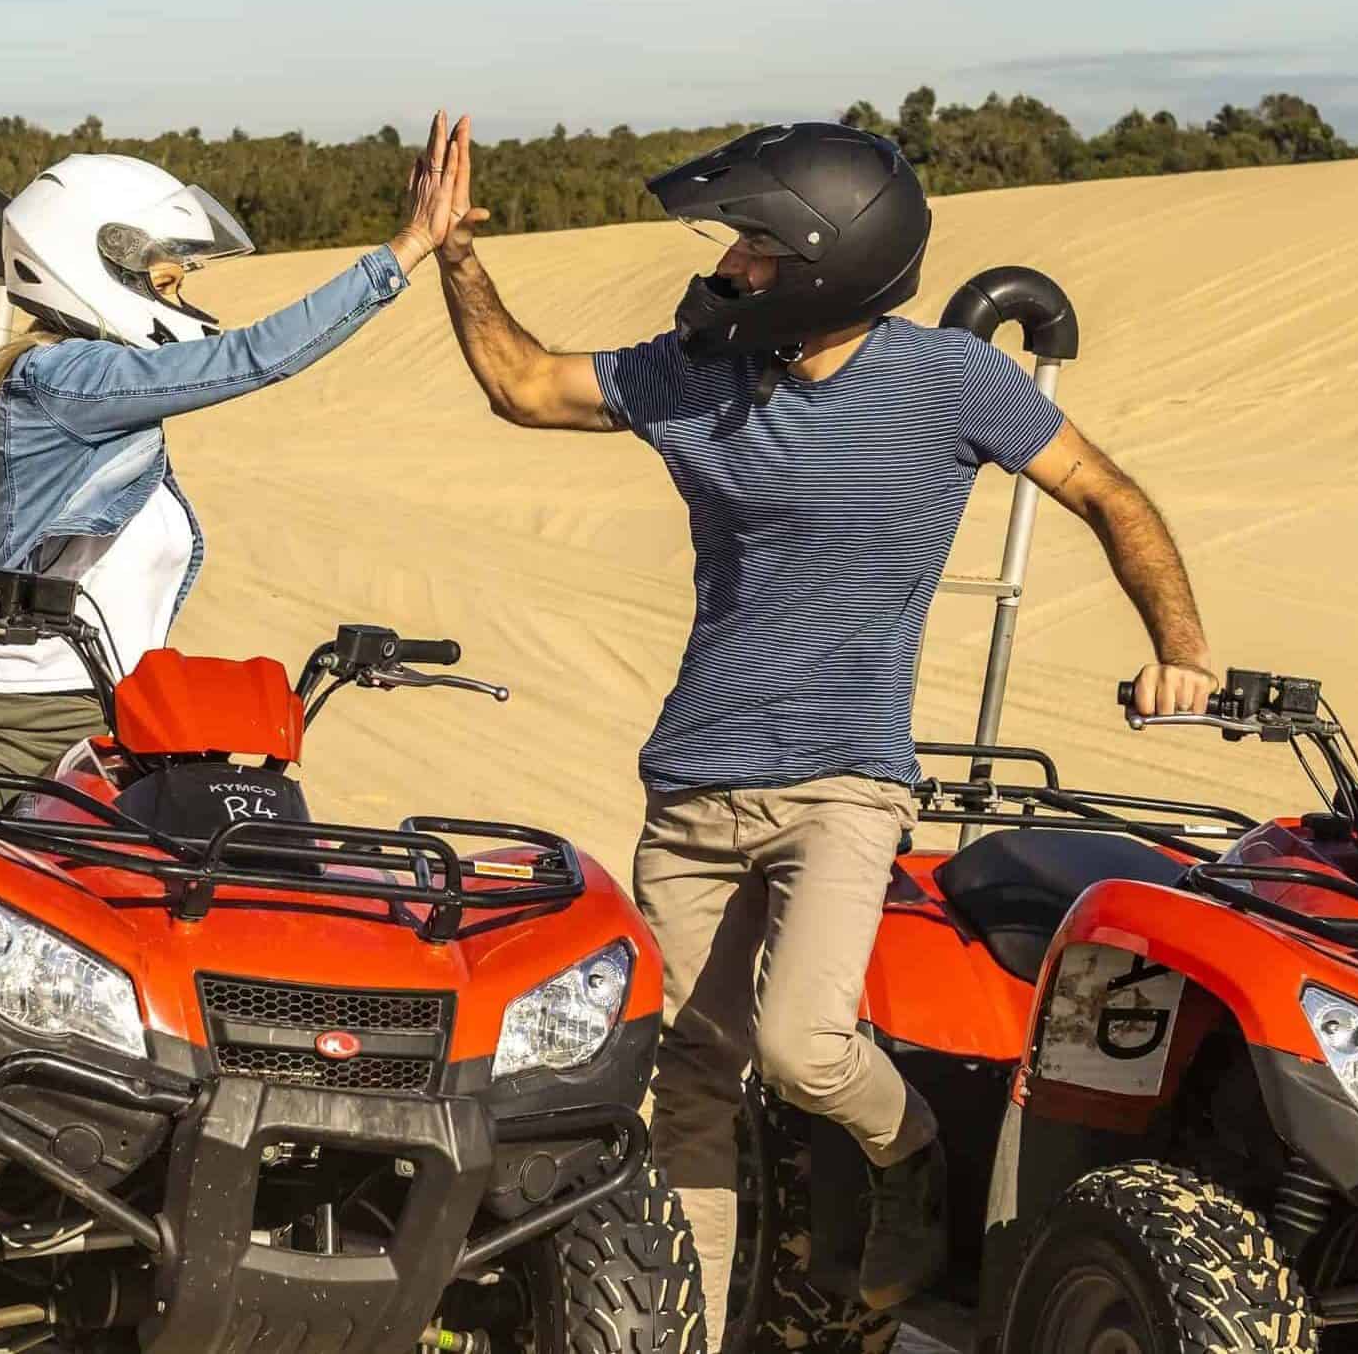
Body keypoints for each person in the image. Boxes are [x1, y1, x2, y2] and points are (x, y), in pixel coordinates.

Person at [429, 119, 1218, 1332]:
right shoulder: (696, 373)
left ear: (818, 264)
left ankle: (909, 1153)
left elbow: (1106, 490)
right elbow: (525, 384)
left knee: (801, 1046)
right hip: (692, 786)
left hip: (844, 782)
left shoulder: (953, 380)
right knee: (685, 1081)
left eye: (751, 244)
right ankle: (677, 1326)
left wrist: (1180, 649)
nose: (728, 267)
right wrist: (456, 256)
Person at [0, 113, 470, 808]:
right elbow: (252, 358)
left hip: (112, 728)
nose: (179, 302)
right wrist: (405, 249)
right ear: (84, 263)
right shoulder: (62, 380)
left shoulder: (105, 402)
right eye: (163, 284)